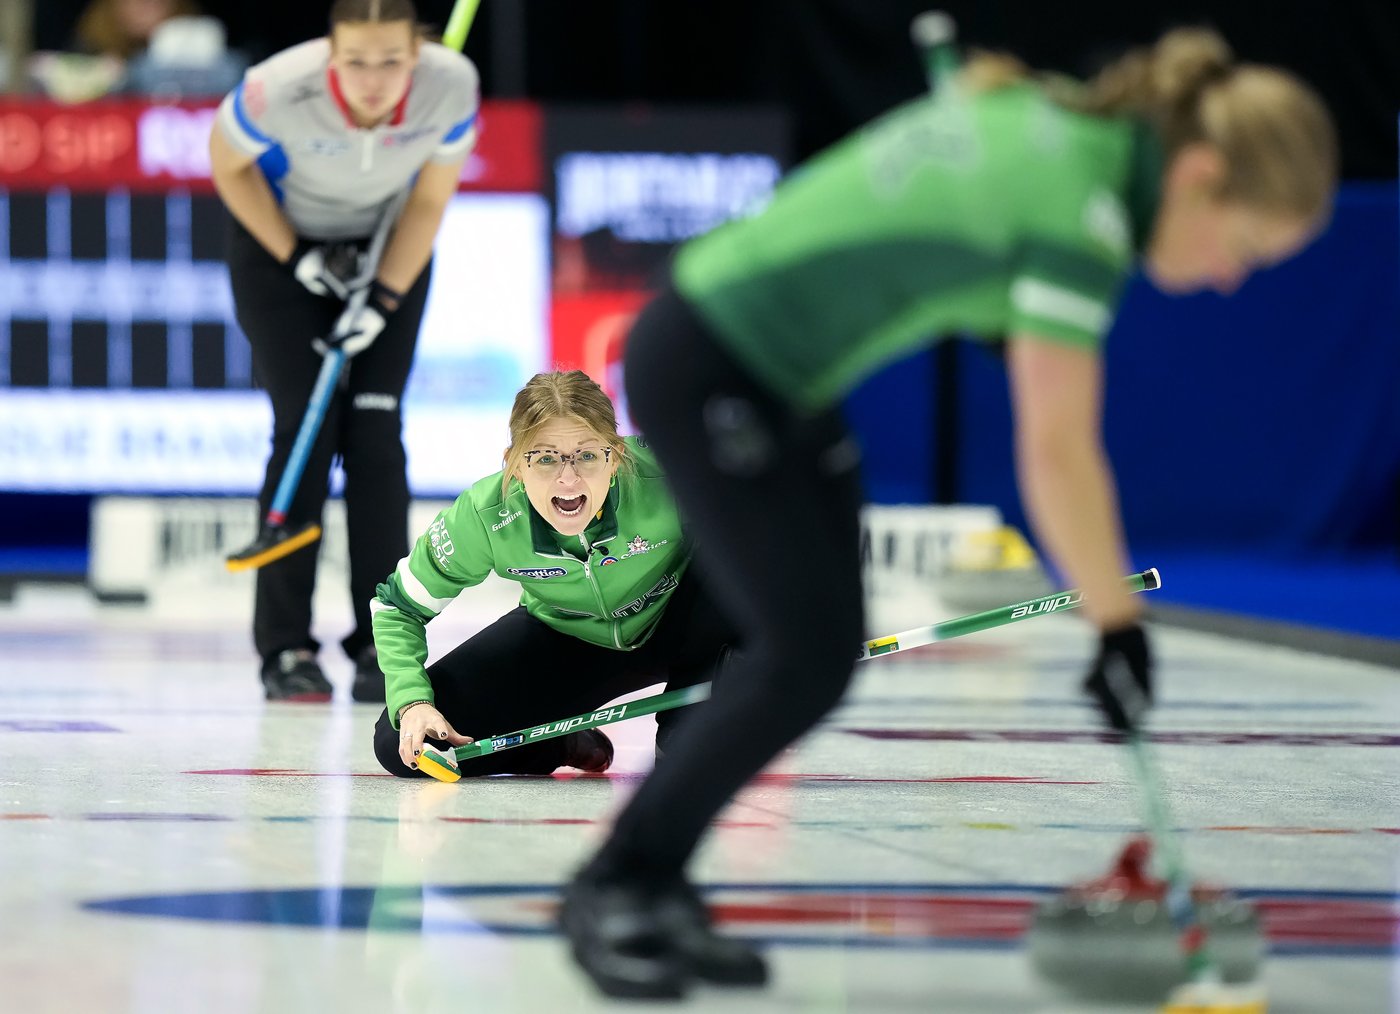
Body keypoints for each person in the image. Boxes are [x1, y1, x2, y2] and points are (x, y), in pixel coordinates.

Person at [558, 27, 1338, 1000]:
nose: (1229, 276)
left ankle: (653, 877)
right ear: (1200, 175)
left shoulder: (1066, 128)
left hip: (780, 379)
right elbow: (1057, 452)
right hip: (713, 359)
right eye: (1246, 247)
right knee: (801, 655)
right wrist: (1116, 626)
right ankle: (617, 881)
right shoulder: (1085, 214)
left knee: (815, 654)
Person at [209, 0, 478, 702]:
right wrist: (299, 257)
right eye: (355, 62)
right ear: (331, 54)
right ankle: (285, 648)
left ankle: (379, 645)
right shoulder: (276, 88)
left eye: (392, 62)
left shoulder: (451, 85)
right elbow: (228, 167)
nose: (373, 80)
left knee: (375, 432)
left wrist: (382, 300)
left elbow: (428, 202)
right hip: (280, 250)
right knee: (307, 423)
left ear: (415, 56)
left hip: (389, 253)